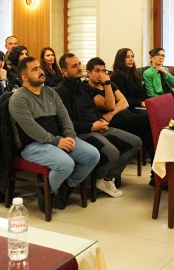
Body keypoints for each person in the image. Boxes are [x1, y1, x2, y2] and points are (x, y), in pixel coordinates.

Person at [9, 56, 99, 211]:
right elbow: (32, 129)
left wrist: (70, 136)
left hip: (57, 139)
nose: (41, 71)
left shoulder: (50, 92)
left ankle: (66, 187)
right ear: (24, 77)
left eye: (40, 67)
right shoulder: (19, 98)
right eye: (35, 69)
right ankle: (47, 192)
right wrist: (57, 142)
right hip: (32, 144)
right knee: (66, 164)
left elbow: (64, 117)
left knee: (92, 155)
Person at [56, 54, 142, 198]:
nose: (79, 68)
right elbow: (67, 123)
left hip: (98, 126)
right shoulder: (62, 91)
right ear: (64, 71)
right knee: (112, 152)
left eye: (79, 64)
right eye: (74, 66)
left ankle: (105, 178)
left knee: (136, 142)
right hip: (83, 132)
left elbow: (95, 110)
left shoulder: (83, 87)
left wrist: (101, 121)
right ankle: (99, 177)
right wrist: (91, 126)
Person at [87, 55, 153, 168]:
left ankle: (155, 173)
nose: (101, 74)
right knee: (152, 117)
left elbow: (124, 102)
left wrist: (111, 113)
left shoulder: (110, 85)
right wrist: (107, 84)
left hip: (124, 115)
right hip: (115, 122)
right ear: (88, 73)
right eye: (97, 71)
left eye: (103, 71)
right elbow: (109, 105)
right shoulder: (89, 89)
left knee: (150, 133)